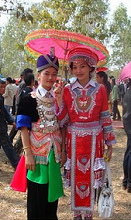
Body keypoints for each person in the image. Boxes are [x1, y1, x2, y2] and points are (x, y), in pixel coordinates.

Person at [54, 47, 116, 220]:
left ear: (91, 67)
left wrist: (109, 143)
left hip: (94, 142)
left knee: (91, 178)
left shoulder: (100, 89)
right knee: (75, 178)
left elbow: (105, 117)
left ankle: (88, 215)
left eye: (82, 66)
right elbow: (63, 121)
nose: (78, 70)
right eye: (74, 67)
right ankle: (76, 215)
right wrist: (59, 100)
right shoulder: (66, 90)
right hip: (73, 141)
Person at [16, 51, 65, 220]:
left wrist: (63, 151)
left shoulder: (59, 98)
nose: (51, 78)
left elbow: (63, 125)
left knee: (52, 201)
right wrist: (27, 153)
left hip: (54, 155)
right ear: (38, 75)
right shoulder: (29, 98)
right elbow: (23, 128)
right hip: (36, 157)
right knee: (36, 202)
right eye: (47, 74)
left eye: (54, 74)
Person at [0, 79, 19, 169]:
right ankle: (16, 164)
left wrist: (11, 121)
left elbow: (4, 111)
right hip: (1, 127)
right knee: (7, 145)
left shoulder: (1, 98)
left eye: (4, 87)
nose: (3, 89)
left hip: (2, 125)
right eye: (1, 87)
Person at [122, 83, 131, 193]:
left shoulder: (128, 91)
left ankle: (126, 181)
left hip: (128, 124)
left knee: (128, 152)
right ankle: (129, 183)